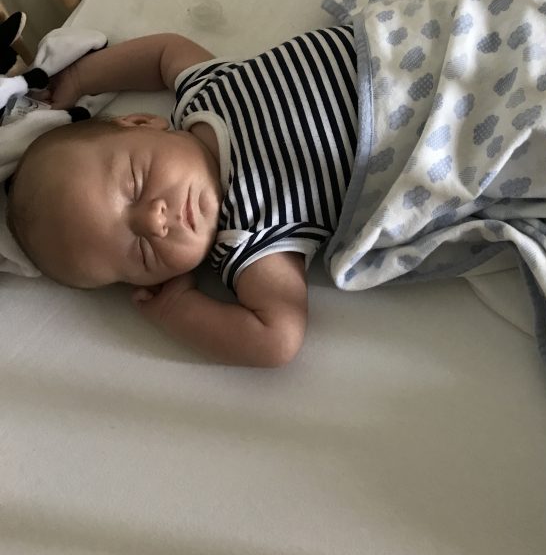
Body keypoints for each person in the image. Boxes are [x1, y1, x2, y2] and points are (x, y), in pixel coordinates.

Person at [6, 28, 359, 368]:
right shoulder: (249, 237)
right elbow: (276, 341)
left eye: (135, 184)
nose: (154, 221)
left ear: (143, 122)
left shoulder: (205, 95)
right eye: (142, 252)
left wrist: (83, 77)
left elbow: (163, 53)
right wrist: (177, 308)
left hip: (380, 42)